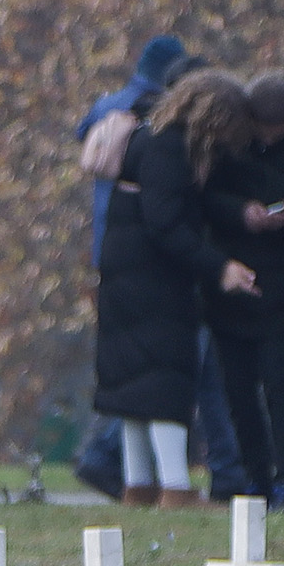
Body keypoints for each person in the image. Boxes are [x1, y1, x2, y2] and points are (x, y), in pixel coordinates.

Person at [89, 59, 245, 506]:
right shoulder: (169, 147)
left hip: (124, 274)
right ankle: (175, 487)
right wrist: (220, 267)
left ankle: (139, 487)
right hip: (153, 281)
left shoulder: (147, 136)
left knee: (134, 388)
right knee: (165, 383)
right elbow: (166, 224)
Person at [71, 34, 191, 499]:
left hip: (110, 247)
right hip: (150, 252)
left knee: (126, 364)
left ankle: (126, 472)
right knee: (158, 368)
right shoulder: (156, 116)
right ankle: (107, 457)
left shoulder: (110, 108)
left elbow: (83, 133)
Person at [194, 72, 284, 507]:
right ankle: (255, 475)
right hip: (231, 287)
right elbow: (208, 200)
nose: (267, 133)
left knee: (279, 387)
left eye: (276, 126)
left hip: (282, 290)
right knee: (238, 393)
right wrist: (240, 213)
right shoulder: (229, 148)